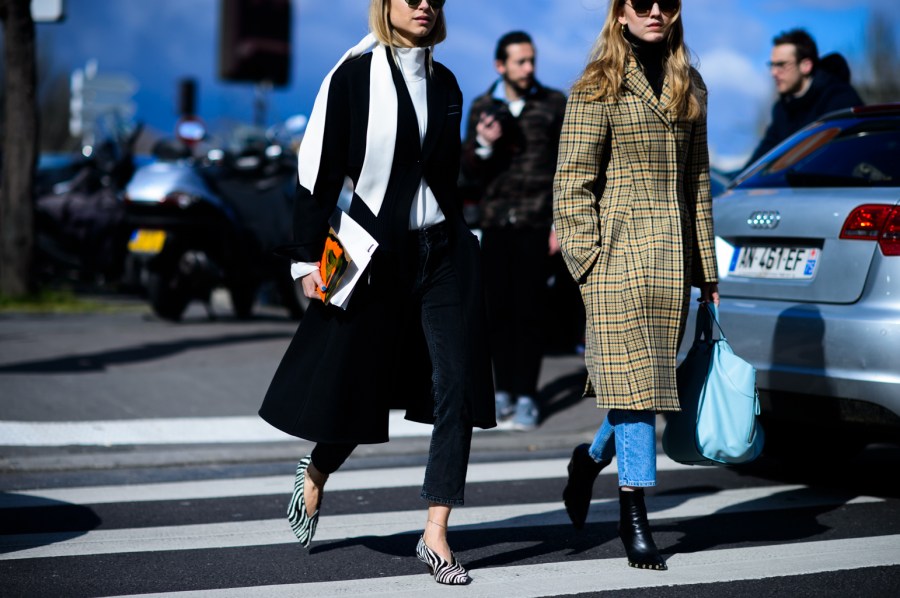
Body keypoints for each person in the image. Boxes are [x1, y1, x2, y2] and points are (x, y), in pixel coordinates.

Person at [258, 0, 495, 586]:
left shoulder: (446, 83)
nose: (423, 3)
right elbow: (318, 169)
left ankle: (436, 533)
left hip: (442, 253)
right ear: (384, 4)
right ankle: (316, 470)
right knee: (356, 382)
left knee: (455, 384)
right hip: (365, 253)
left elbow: (444, 174)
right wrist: (305, 259)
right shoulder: (352, 76)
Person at [553, 0, 719, 571]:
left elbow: (698, 182)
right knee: (638, 393)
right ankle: (635, 517)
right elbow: (571, 180)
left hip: (672, 264)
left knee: (639, 388)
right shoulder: (597, 84)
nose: (655, 11)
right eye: (641, 2)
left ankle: (588, 459)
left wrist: (708, 273)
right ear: (619, 13)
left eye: (666, 2)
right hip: (616, 262)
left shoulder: (689, 83)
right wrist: (588, 260)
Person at [461, 31, 568, 430]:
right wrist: (484, 145)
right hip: (493, 225)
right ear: (500, 65)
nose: (528, 68)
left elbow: (567, 166)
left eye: (532, 60)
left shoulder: (553, 103)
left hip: (537, 224)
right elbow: (467, 172)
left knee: (530, 312)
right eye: (520, 61)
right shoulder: (482, 106)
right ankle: (501, 390)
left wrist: (562, 223)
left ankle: (526, 394)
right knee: (495, 312)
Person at [746, 28, 863, 166]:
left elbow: (844, 157)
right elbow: (761, 159)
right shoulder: (782, 109)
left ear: (806, 66)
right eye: (772, 65)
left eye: (781, 65)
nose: (774, 72)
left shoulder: (839, 99)